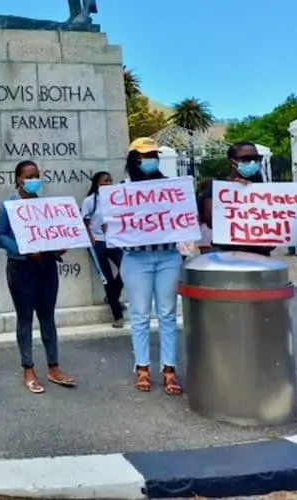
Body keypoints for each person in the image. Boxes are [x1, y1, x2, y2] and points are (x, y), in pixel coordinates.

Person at [0, 160, 75, 394]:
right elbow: (0, 236)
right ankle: (28, 369)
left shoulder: (45, 205)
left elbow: (52, 233)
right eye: (29, 176)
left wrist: (57, 247)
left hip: (47, 266)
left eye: (37, 175)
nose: (33, 180)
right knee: (25, 318)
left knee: (48, 317)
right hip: (21, 268)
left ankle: (53, 366)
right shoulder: (8, 206)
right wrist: (23, 249)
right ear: (19, 178)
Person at [119, 138, 182, 396]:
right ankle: (142, 368)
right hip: (136, 259)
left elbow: (185, 216)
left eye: (154, 155)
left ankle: (169, 369)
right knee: (140, 315)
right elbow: (108, 223)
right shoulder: (121, 190)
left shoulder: (170, 186)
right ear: (134, 159)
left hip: (168, 256)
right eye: (145, 155)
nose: (151, 159)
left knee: (167, 314)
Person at [198, 142, 275, 256]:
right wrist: (235, 191)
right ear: (232, 162)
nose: (253, 163)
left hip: (259, 254)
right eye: (245, 159)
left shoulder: (264, 190)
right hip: (225, 253)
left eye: (256, 158)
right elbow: (211, 221)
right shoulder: (217, 188)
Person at [82, 171, 124, 328]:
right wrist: (90, 237)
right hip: (97, 243)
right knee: (107, 279)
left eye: (111, 180)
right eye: (106, 181)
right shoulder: (90, 201)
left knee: (126, 268)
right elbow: (84, 220)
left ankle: (113, 295)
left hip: (113, 241)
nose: (109, 183)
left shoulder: (116, 200)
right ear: (97, 184)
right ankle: (117, 315)